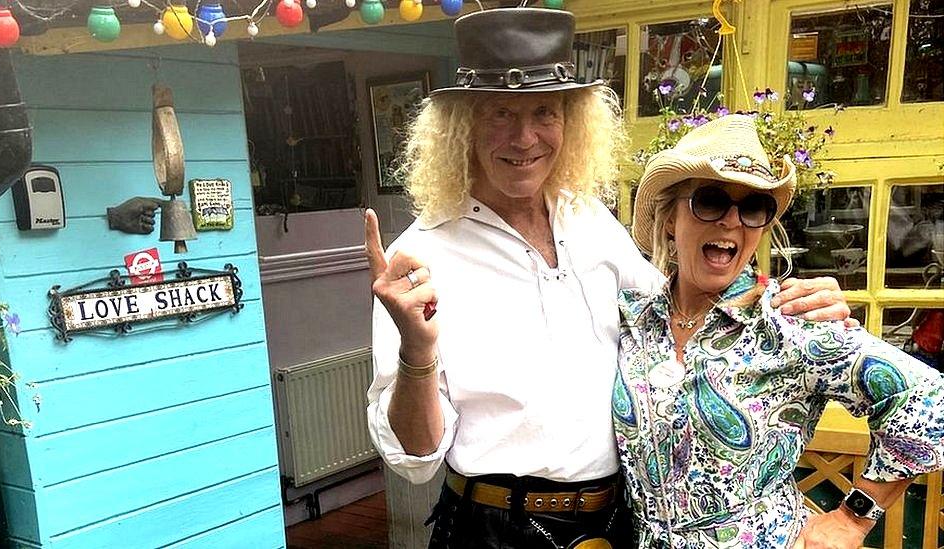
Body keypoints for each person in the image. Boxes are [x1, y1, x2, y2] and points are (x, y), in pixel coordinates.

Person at [364, 8, 852, 548]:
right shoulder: (419, 255)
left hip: (617, 521)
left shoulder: (587, 219)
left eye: (544, 112)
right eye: (499, 112)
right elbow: (413, 457)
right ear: (462, 127)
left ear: (570, 122)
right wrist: (416, 353)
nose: (524, 138)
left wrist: (790, 298)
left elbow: (677, 309)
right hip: (494, 528)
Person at [614, 113, 944, 548]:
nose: (732, 221)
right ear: (671, 219)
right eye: (711, 200)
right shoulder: (631, 320)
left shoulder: (791, 322)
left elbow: (929, 401)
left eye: (753, 207)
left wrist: (854, 518)